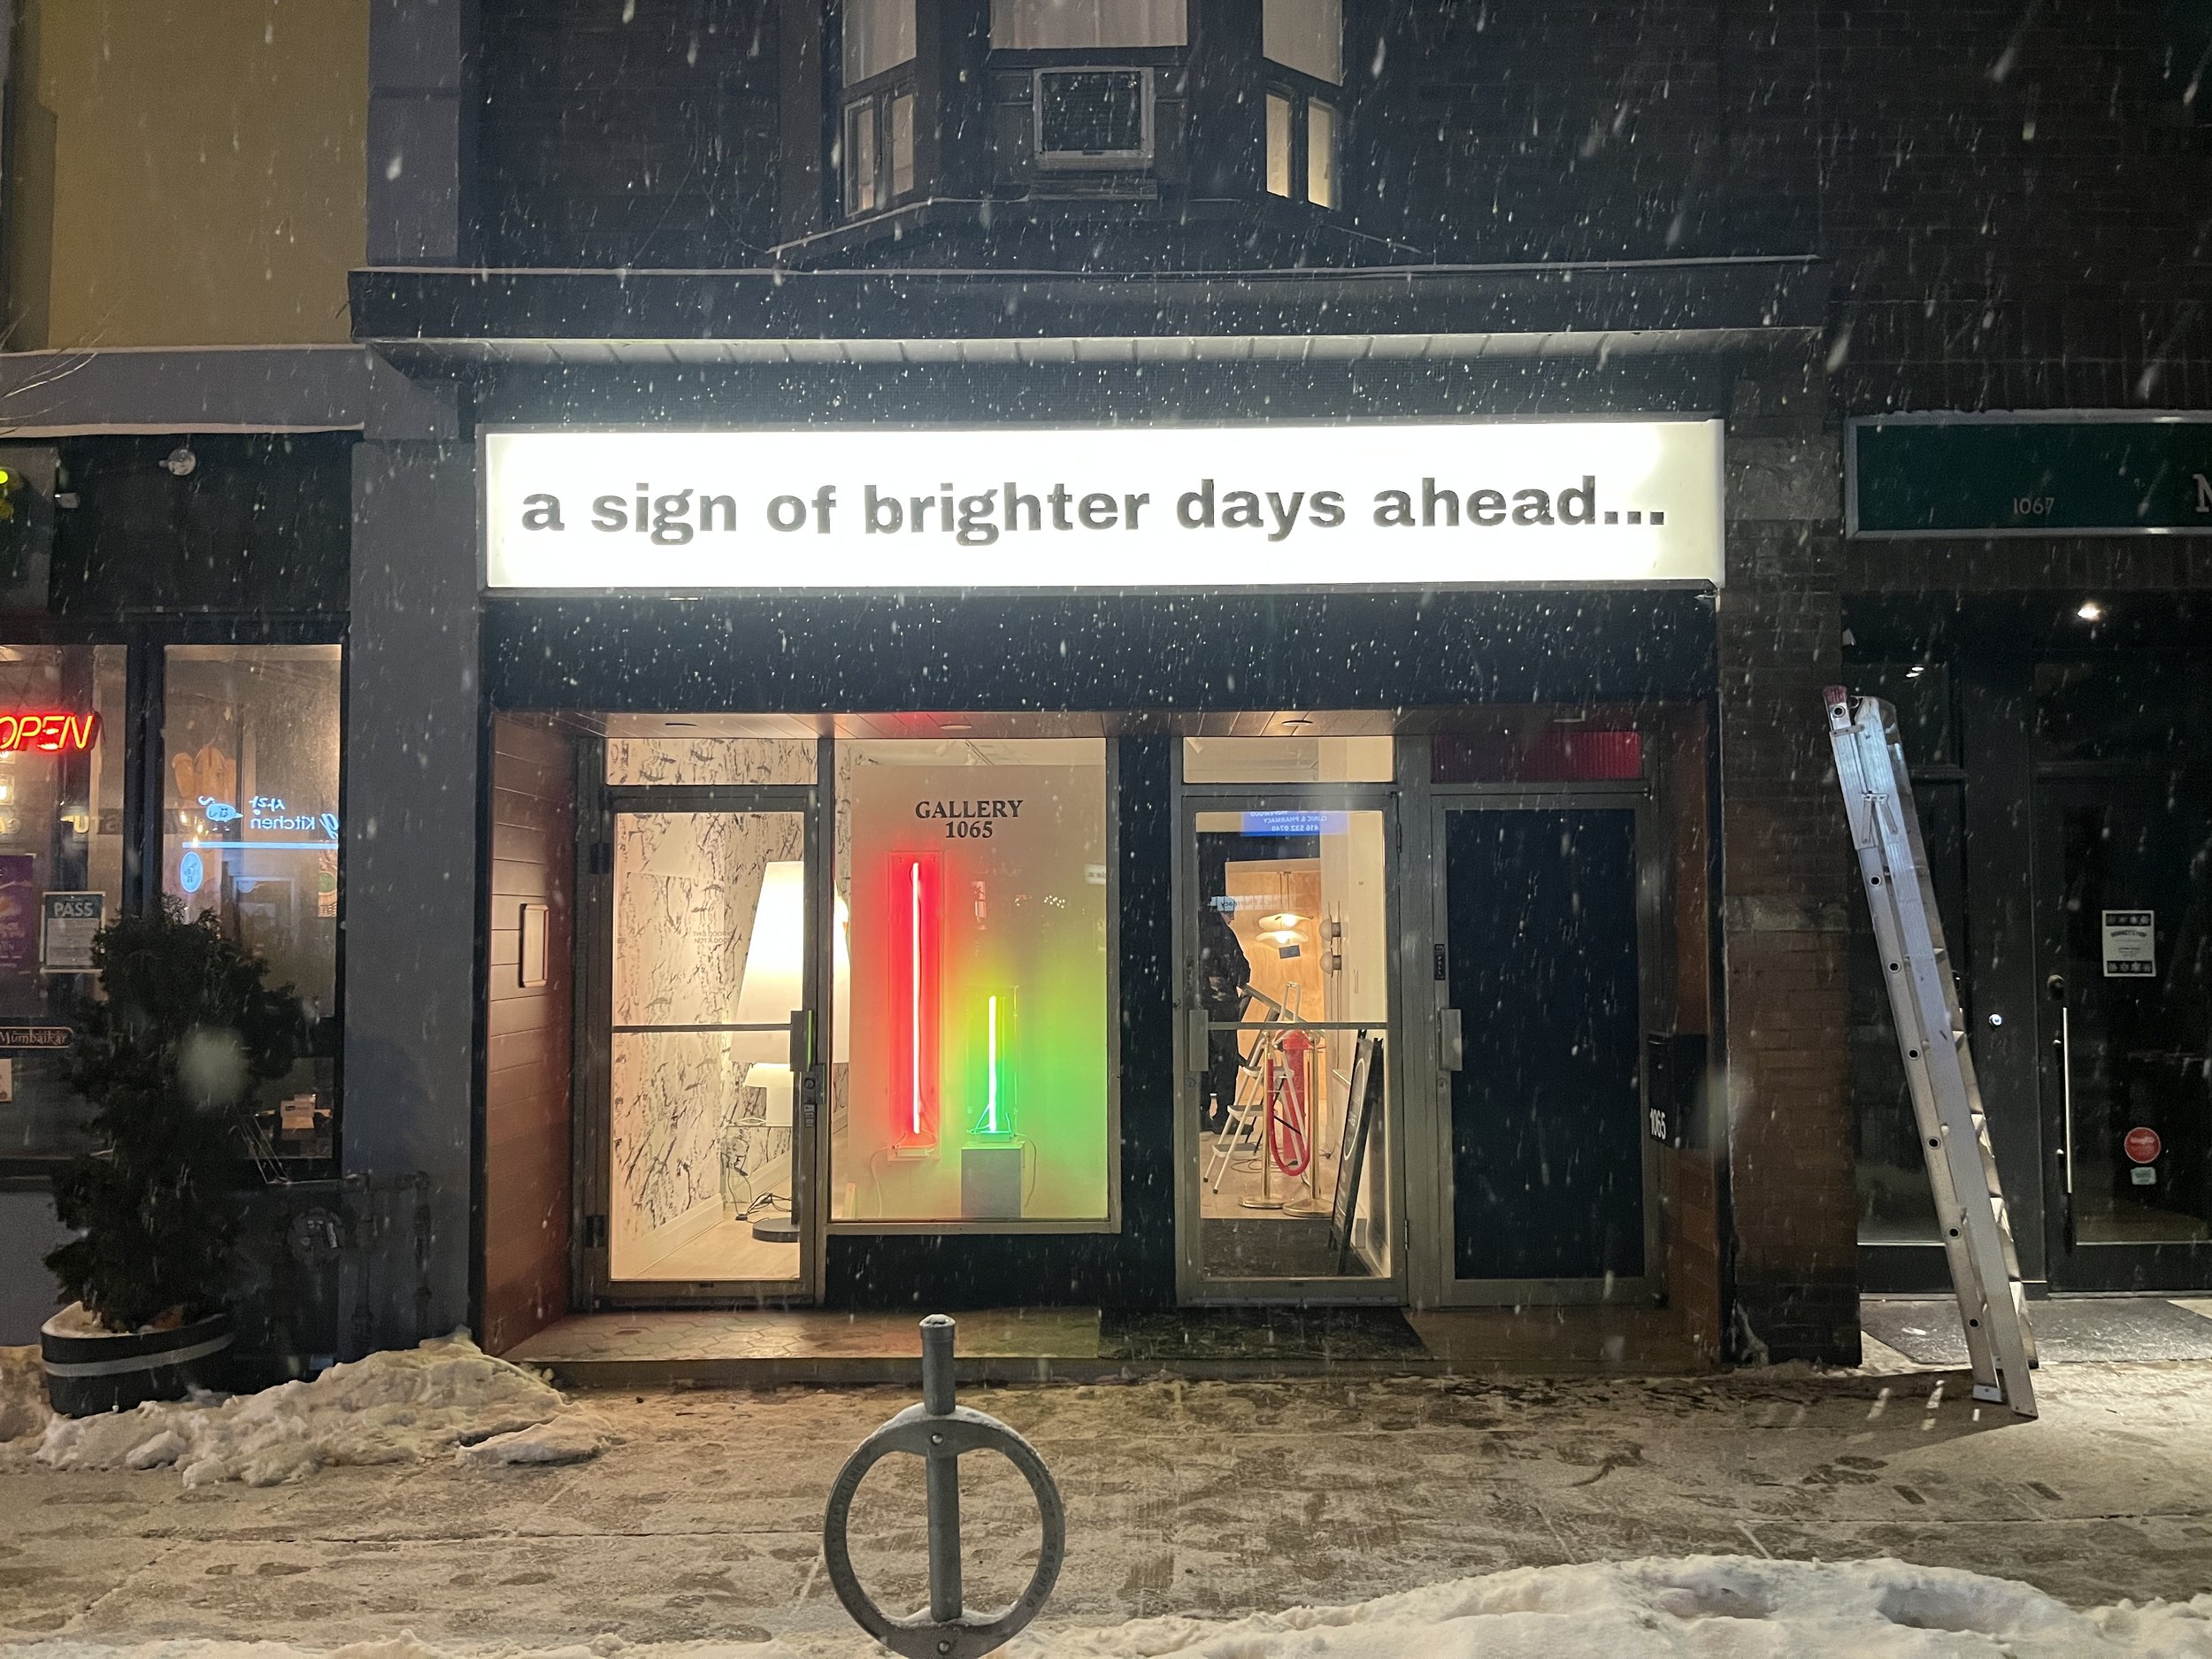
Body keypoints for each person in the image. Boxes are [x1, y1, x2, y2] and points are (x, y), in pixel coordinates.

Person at [1198, 901, 1251, 1135]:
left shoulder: (1191, 931)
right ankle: (1223, 1117)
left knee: (1201, 1062)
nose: (1233, 918)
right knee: (1226, 1062)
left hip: (1197, 1009)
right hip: (1221, 1008)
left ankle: (1200, 1114)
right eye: (1230, 913)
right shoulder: (1222, 933)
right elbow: (1240, 973)